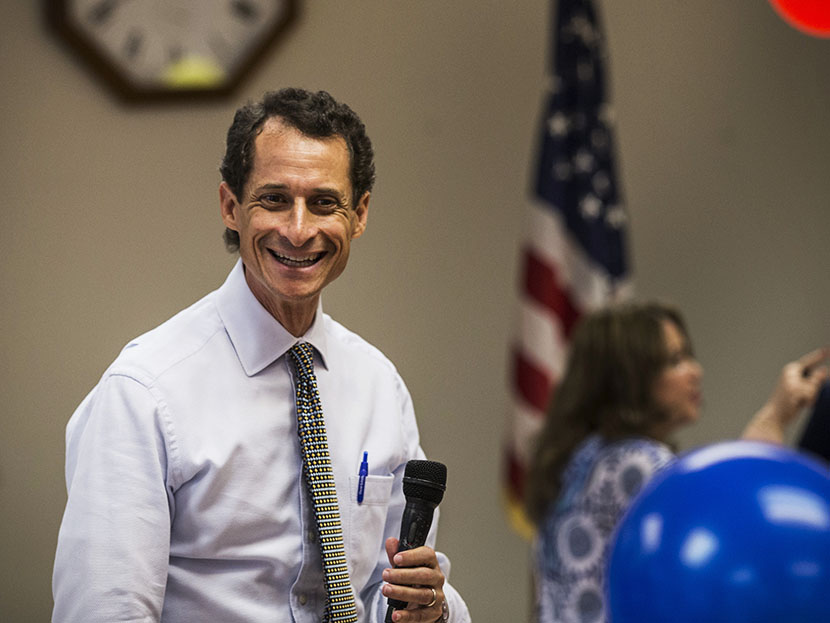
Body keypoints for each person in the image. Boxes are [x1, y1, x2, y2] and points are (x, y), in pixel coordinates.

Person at [52, 88, 469, 623]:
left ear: (359, 214)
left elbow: (388, 592)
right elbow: (103, 612)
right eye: (274, 199)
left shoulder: (378, 386)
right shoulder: (145, 391)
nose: (299, 230)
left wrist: (432, 607)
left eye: (324, 202)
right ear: (231, 207)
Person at [524, 301, 828, 623]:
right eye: (675, 360)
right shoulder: (638, 464)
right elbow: (735, 531)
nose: (696, 371)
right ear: (630, 379)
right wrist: (774, 417)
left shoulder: (575, 459)